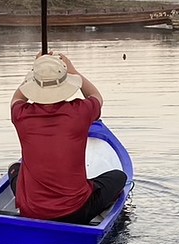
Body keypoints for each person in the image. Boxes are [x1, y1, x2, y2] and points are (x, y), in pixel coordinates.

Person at [9, 53, 127, 224]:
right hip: (76, 211)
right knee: (118, 177)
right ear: (66, 84)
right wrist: (72, 69)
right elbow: (95, 96)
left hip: (31, 211)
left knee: (14, 168)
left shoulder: (21, 115)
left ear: (33, 85)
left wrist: (39, 68)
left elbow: (17, 98)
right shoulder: (80, 112)